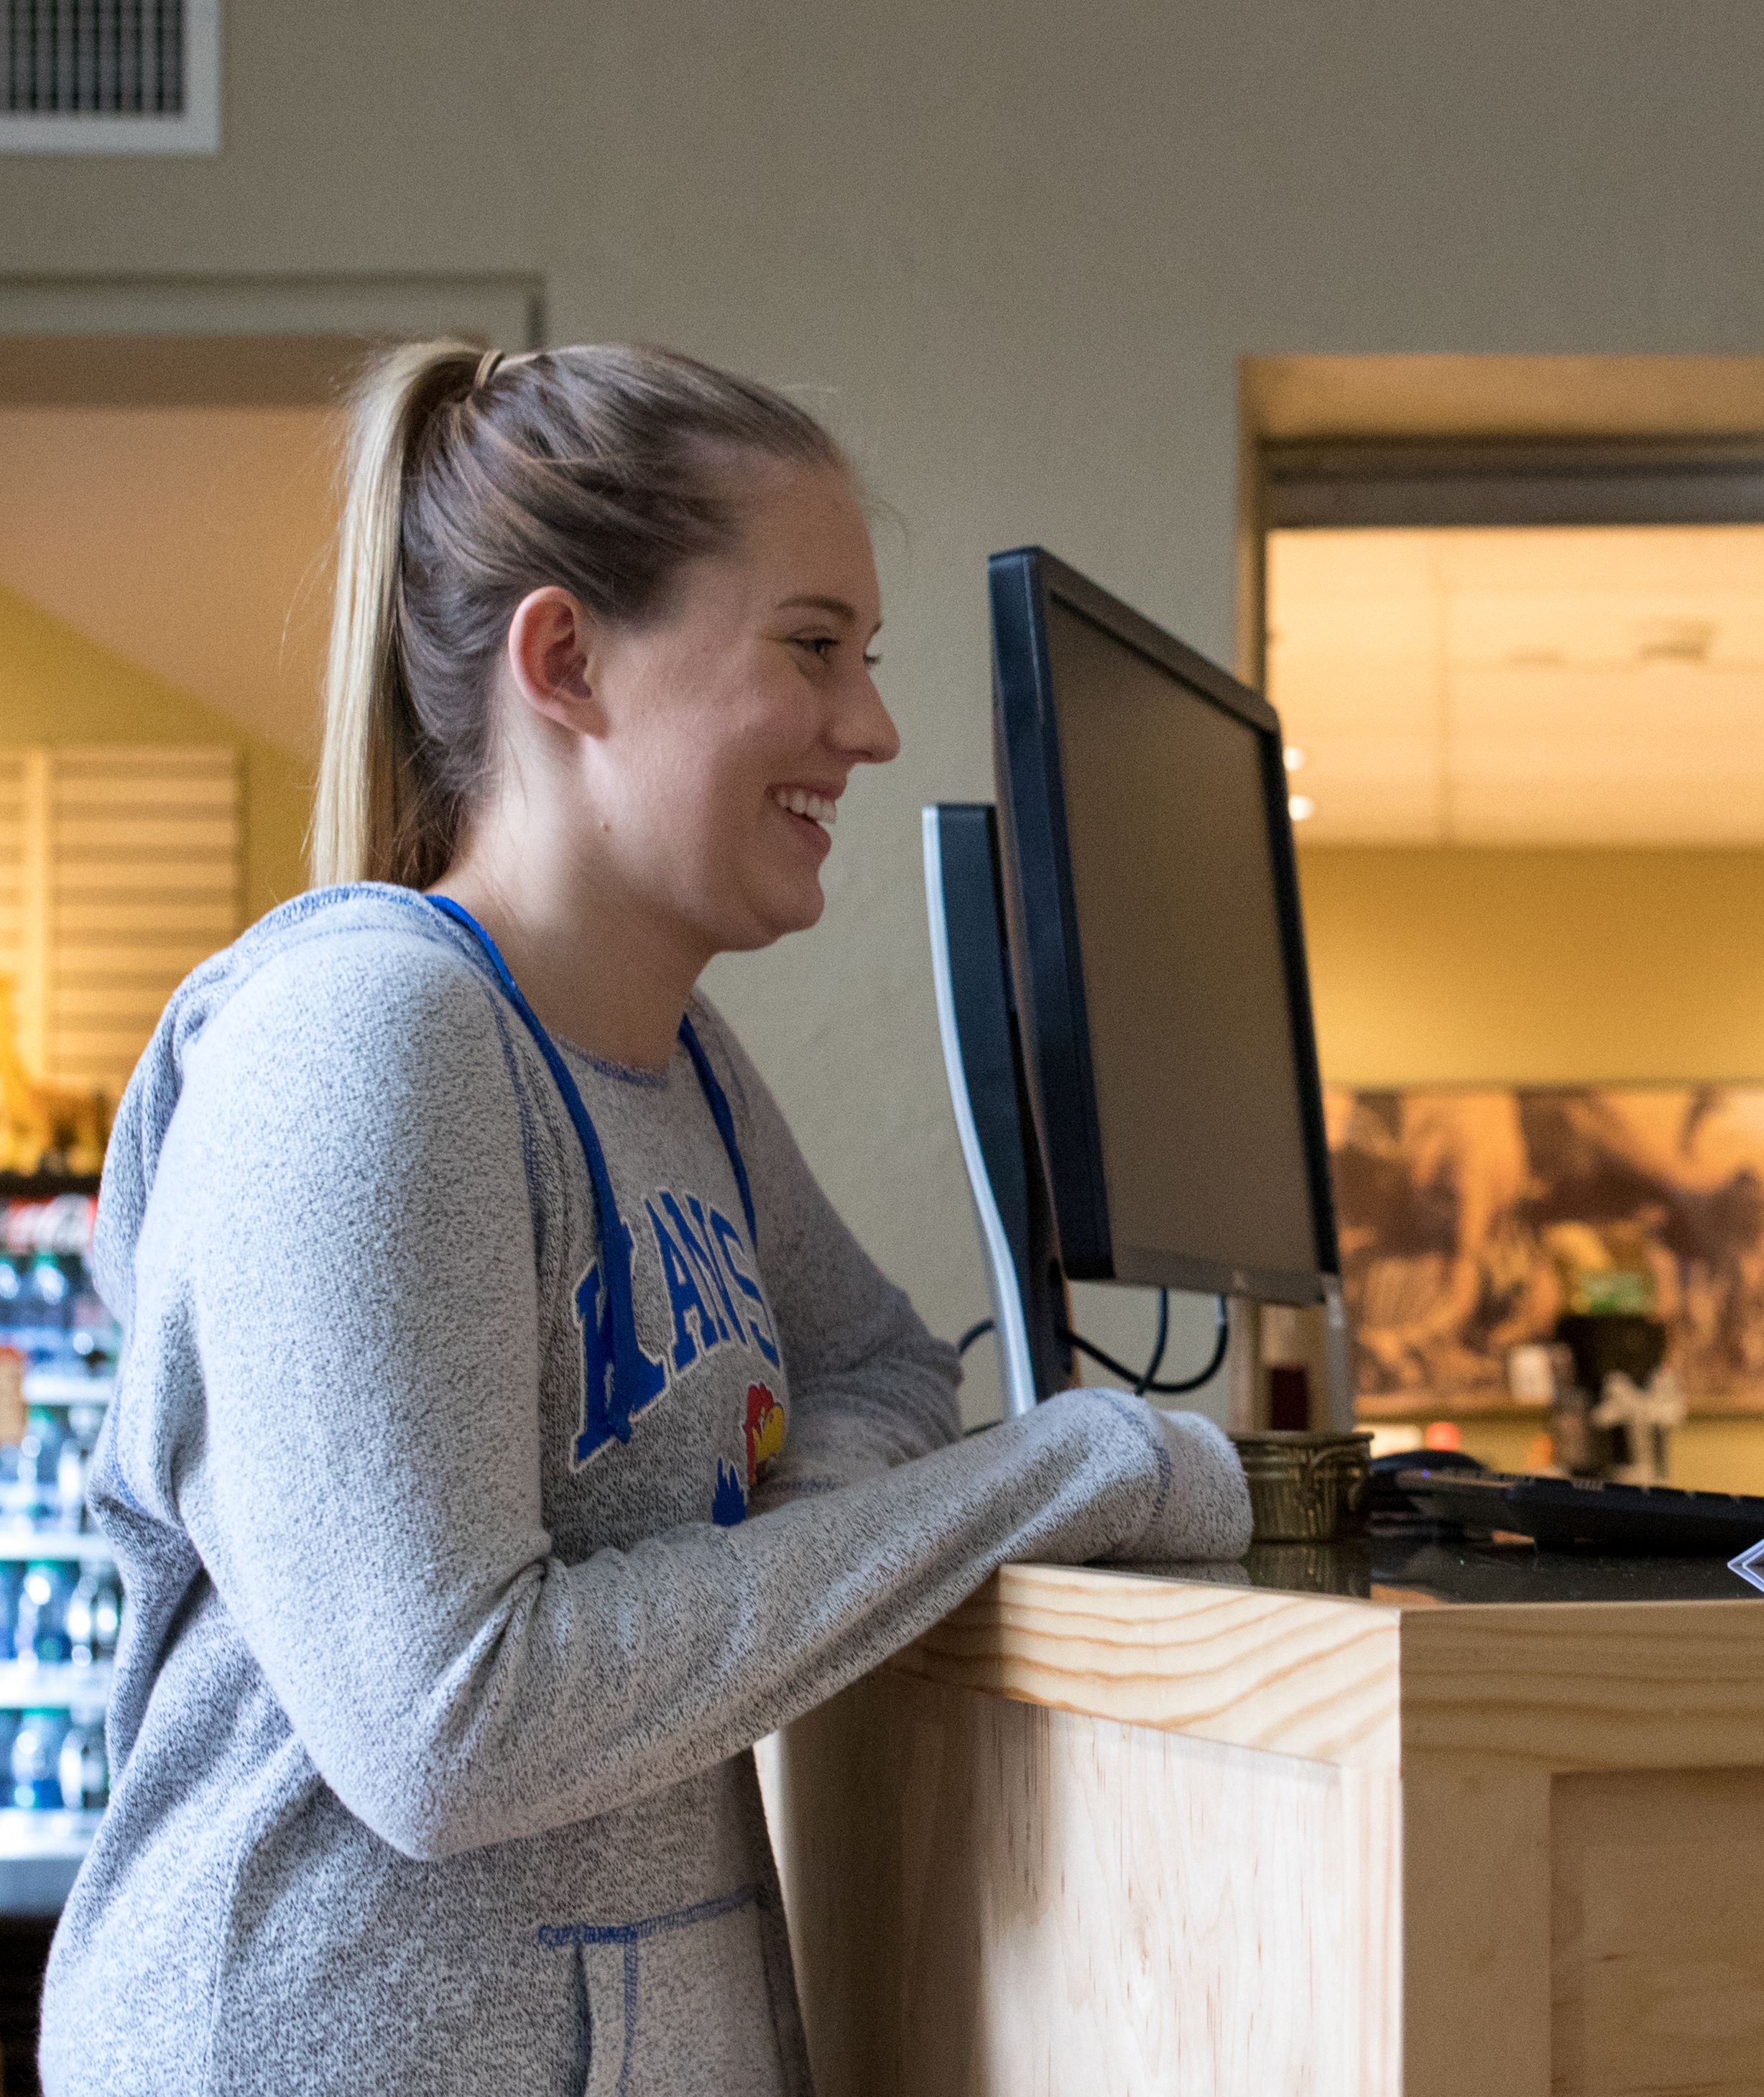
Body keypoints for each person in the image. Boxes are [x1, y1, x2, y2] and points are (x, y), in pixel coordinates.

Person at [40, 342, 1250, 2092]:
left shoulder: (679, 1061)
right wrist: (1071, 1470)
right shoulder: (362, 1041)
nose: (873, 726)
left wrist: (789, 1519)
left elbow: (886, 1359)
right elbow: (447, 1725)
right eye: (812, 646)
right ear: (565, 658)